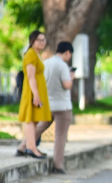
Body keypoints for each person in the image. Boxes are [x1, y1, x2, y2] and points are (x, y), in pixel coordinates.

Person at [17, 42, 75, 173]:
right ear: (67, 52)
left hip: (48, 104)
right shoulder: (63, 66)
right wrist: (71, 79)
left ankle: (22, 146)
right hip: (62, 106)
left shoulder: (46, 63)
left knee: (39, 128)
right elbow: (66, 85)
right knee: (60, 136)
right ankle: (58, 165)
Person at [17, 30, 51, 159]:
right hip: (31, 91)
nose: (42, 42)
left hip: (37, 91)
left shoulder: (37, 54)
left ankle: (31, 146)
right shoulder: (30, 54)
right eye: (39, 40)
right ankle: (31, 147)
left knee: (34, 119)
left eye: (43, 40)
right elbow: (30, 77)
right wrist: (35, 95)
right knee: (30, 120)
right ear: (32, 41)